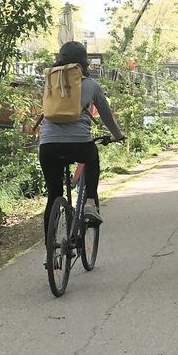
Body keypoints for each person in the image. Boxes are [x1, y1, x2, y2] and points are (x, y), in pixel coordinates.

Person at [39, 41, 125, 233]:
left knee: (53, 196)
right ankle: (89, 203)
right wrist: (117, 135)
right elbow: (106, 115)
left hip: (48, 146)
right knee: (92, 156)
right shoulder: (91, 86)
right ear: (83, 64)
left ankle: (49, 254)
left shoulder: (49, 84)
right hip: (79, 145)